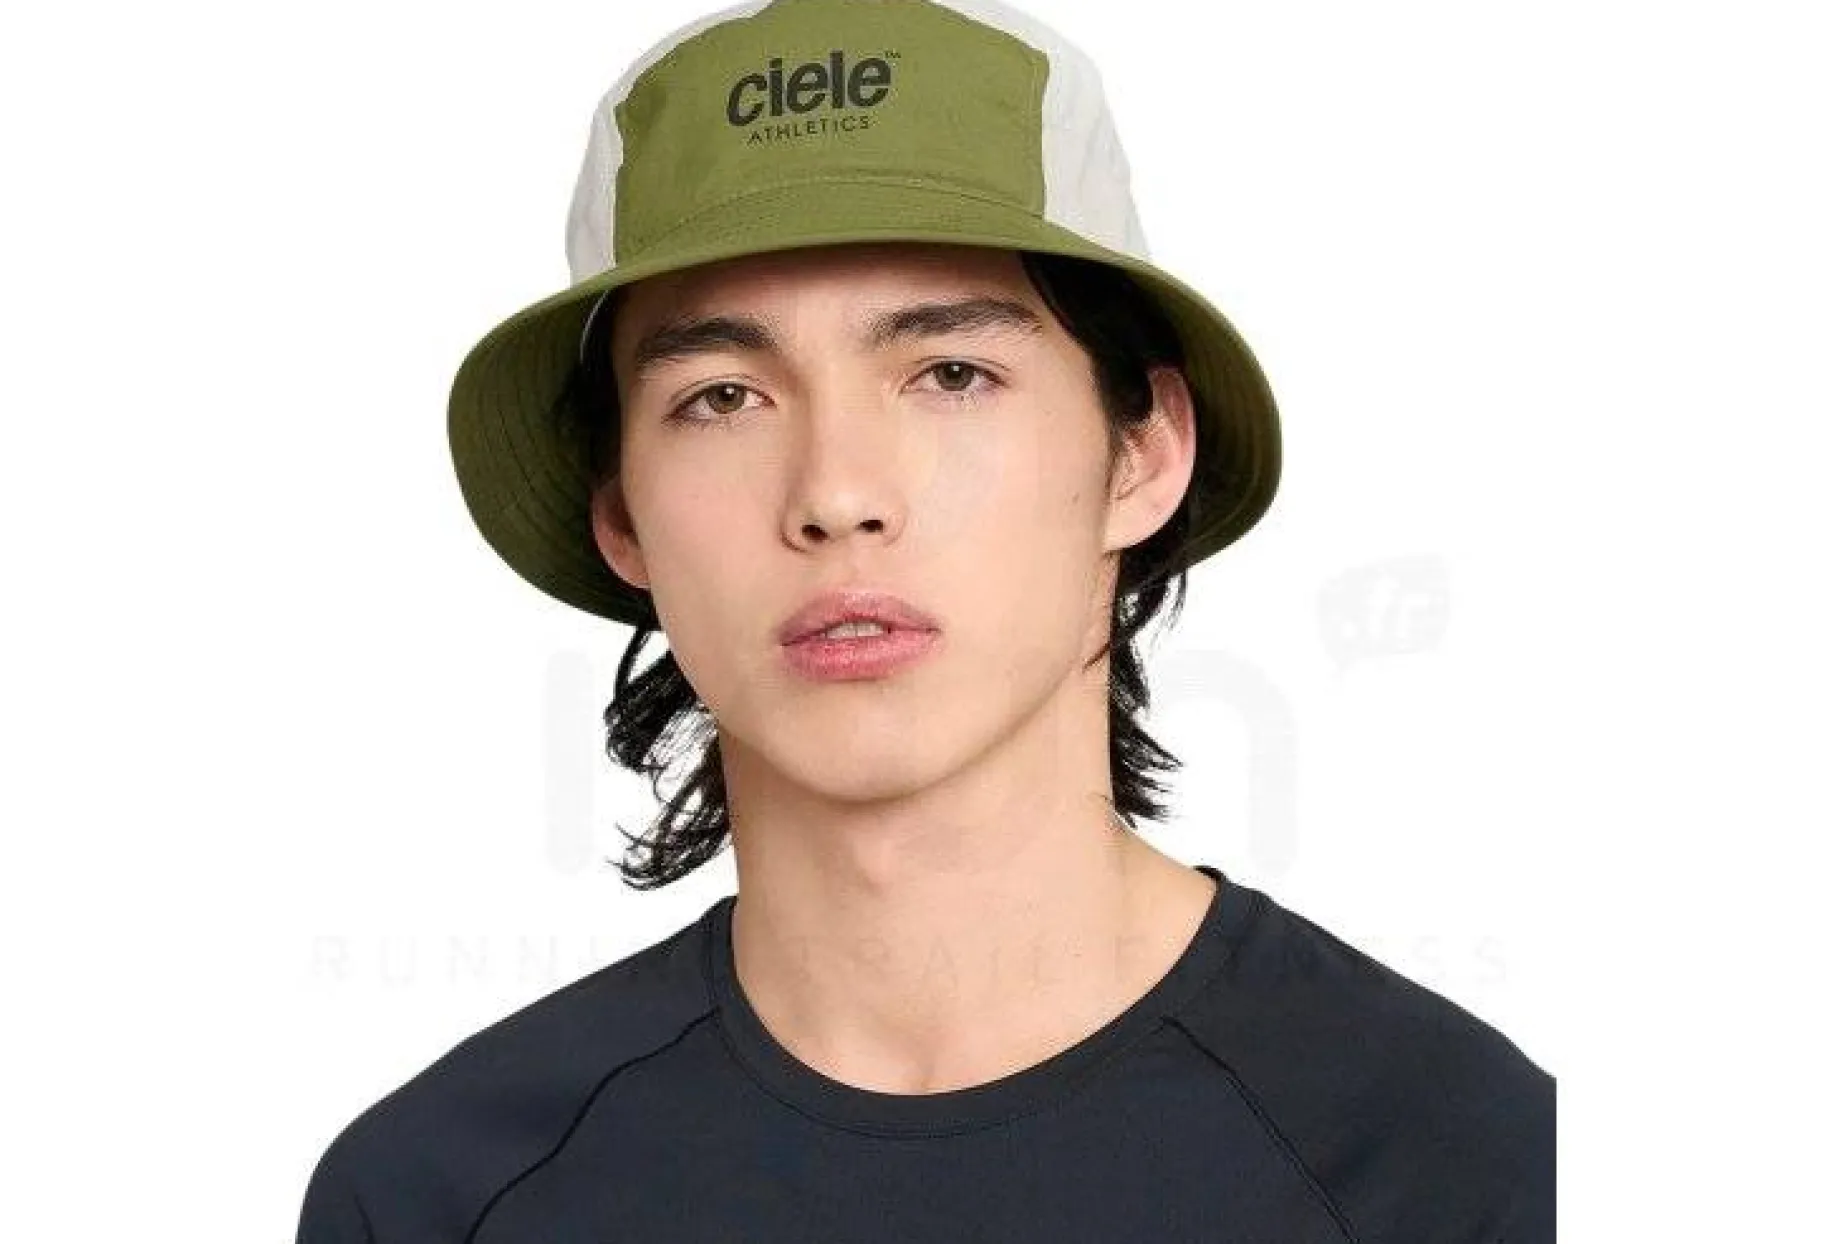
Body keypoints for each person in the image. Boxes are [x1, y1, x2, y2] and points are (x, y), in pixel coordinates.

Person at [296, 0, 1555, 1239]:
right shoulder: (437, 1195)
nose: (836, 492)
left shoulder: (1458, 1168)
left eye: (952, 373)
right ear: (620, 511)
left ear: (1142, 453)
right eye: (722, 395)